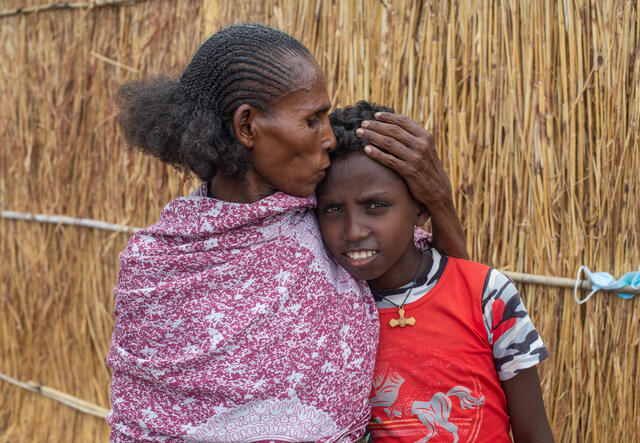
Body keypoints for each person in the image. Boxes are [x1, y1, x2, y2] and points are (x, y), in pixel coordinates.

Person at [108, 25, 467, 442]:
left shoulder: (329, 221)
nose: (329, 137)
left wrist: (439, 200)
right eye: (312, 120)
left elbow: (452, 293)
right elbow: (141, 413)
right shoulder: (157, 262)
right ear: (247, 126)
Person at [317, 101, 554, 442]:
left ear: (421, 208)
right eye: (333, 209)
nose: (354, 230)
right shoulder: (330, 311)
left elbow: (534, 431)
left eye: (376, 206)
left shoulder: (488, 293)